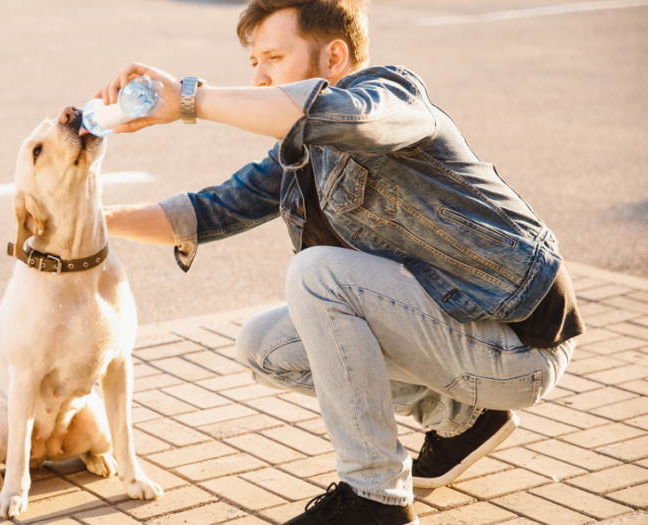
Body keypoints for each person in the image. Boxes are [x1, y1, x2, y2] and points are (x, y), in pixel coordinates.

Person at [86, 1, 584, 523]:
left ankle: (375, 499)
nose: (259, 79)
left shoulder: (393, 94)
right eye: (253, 63)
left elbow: (345, 118)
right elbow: (209, 210)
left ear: (334, 57)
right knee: (264, 346)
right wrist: (86, 219)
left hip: (519, 342)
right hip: (459, 339)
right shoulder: (300, 154)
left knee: (317, 275)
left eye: (273, 57)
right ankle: (462, 418)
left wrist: (191, 99)